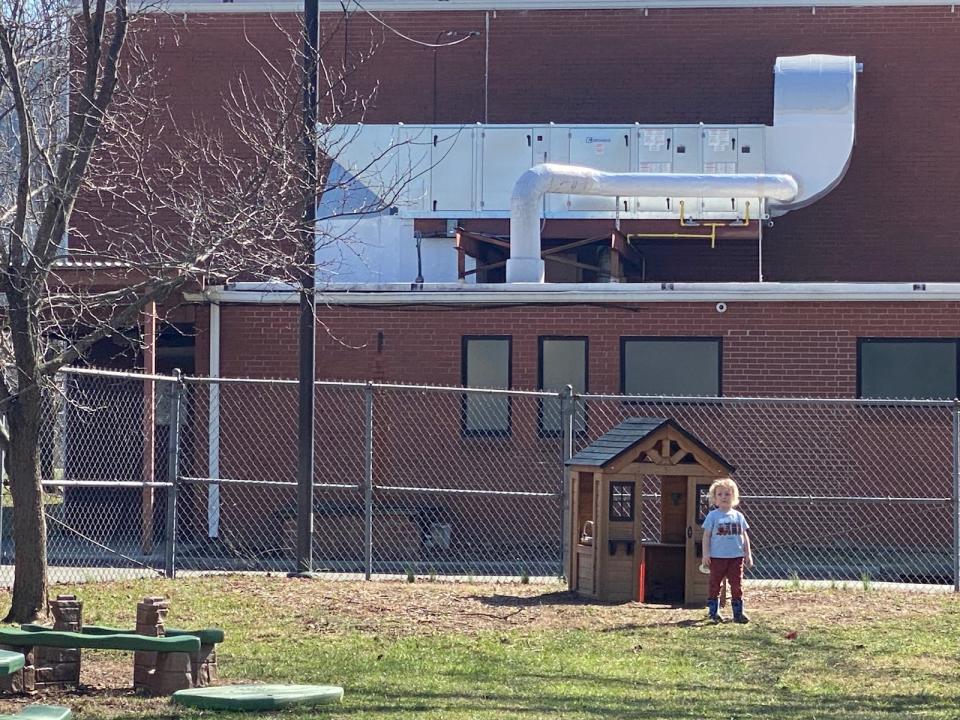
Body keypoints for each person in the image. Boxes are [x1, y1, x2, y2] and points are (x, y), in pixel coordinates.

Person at [701, 477, 753, 624]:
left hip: (736, 557)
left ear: (734, 496)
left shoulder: (739, 516)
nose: (724, 497)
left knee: (737, 584)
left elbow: (744, 535)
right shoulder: (713, 516)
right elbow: (706, 536)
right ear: (714, 498)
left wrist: (748, 553)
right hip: (717, 557)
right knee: (715, 584)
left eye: (727, 494)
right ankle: (713, 612)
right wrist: (706, 554)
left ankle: (738, 613)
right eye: (720, 494)